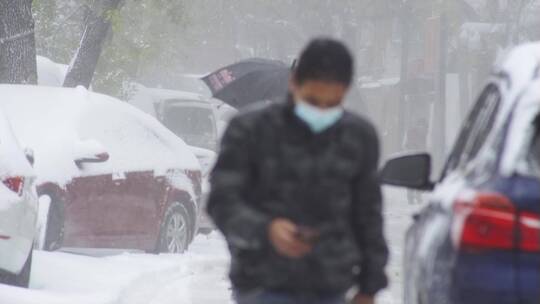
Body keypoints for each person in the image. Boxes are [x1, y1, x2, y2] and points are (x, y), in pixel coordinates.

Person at [207, 38, 388, 304]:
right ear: (294, 84)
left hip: (330, 286)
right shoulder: (250, 131)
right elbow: (222, 202)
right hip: (262, 283)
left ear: (345, 92)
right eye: (313, 99)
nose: (321, 110)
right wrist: (266, 230)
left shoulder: (358, 137)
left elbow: (368, 215)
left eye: (332, 102)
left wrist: (369, 286)